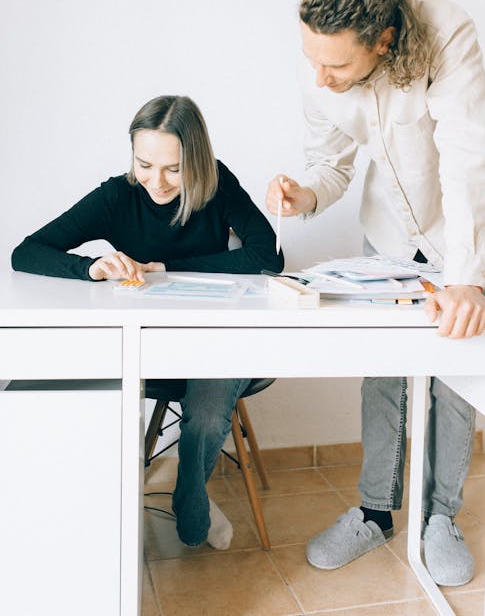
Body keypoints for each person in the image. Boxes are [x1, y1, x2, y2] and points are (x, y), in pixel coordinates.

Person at [266, 0, 485, 586]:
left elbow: (469, 156)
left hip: (461, 231)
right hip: (388, 236)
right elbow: (330, 163)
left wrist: (467, 278)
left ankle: (440, 516)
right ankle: (374, 511)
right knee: (384, 375)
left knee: (454, 374)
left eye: (335, 65)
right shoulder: (324, 64)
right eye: (313, 59)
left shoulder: (447, 33)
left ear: (383, 41)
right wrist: (306, 191)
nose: (320, 76)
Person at [12, 94, 284, 549]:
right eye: (145, 164)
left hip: (216, 340)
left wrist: (168, 266)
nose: (156, 181)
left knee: (208, 412)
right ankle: (181, 497)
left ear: (196, 160)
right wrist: (90, 266)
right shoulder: (117, 195)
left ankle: (189, 495)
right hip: (147, 349)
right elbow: (26, 251)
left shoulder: (218, 184)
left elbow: (268, 257)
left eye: (174, 169)